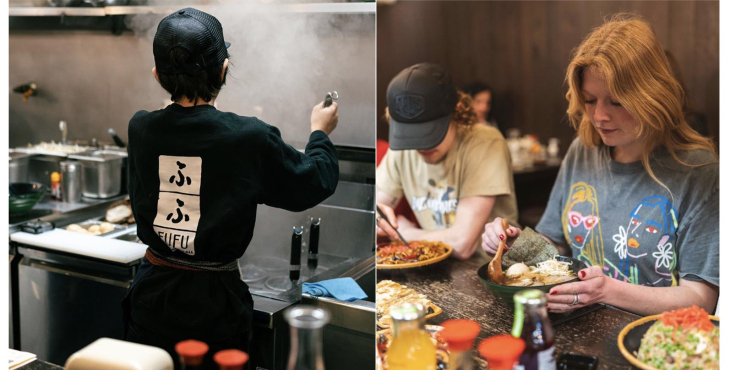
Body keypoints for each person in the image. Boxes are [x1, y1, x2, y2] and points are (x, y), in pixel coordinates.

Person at [123, 8, 340, 367]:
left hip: (151, 299)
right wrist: (320, 131)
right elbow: (315, 179)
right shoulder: (248, 137)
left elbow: (184, 130)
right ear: (224, 70)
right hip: (214, 310)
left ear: (158, 75)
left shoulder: (140, 128)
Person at [481, 14, 718, 315]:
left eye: (616, 101)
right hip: (576, 328)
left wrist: (606, 290)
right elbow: (557, 248)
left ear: (652, 95)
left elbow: (700, 298)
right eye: (590, 100)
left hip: (649, 340)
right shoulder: (584, 148)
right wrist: (516, 245)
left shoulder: (699, 171)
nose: (599, 116)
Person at [377, 63, 518, 261]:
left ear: (456, 111)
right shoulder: (401, 149)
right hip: (434, 265)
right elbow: (373, 214)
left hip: (487, 270)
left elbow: (462, 244)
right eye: (411, 135)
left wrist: (406, 234)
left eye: (430, 133)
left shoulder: (486, 142)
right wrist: (375, 220)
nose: (421, 146)